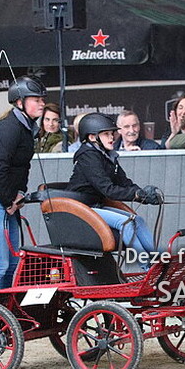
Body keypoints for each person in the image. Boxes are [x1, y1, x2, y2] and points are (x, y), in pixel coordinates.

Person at [0, 75, 47, 290]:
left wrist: (20, 193)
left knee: (12, 264)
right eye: (36, 100)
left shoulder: (26, 129)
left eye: (42, 99)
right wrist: (8, 201)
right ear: (20, 102)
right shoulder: (8, 128)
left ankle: (0, 309)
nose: (42, 103)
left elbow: (22, 167)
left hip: (4, 199)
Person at [67, 112, 161, 263]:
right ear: (92, 137)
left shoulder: (108, 155)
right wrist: (136, 194)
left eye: (112, 134)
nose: (112, 137)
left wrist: (143, 194)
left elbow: (124, 182)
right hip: (82, 208)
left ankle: (158, 260)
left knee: (138, 221)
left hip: (95, 206)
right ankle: (147, 266)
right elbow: (108, 190)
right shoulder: (88, 156)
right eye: (106, 134)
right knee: (126, 224)